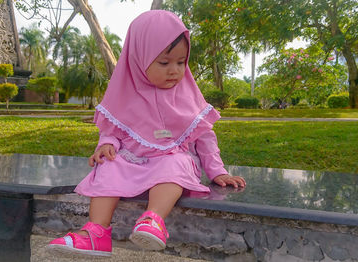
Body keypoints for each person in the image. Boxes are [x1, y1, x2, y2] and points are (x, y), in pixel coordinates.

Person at [46, 10, 246, 258]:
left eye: (181, 62)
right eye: (164, 62)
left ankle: (153, 220)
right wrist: (106, 145)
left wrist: (218, 171)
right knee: (108, 166)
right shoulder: (125, 92)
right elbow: (113, 129)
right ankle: (96, 234)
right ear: (138, 58)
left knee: (175, 164)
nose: (174, 70)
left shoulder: (187, 94)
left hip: (170, 159)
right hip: (134, 161)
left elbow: (205, 137)